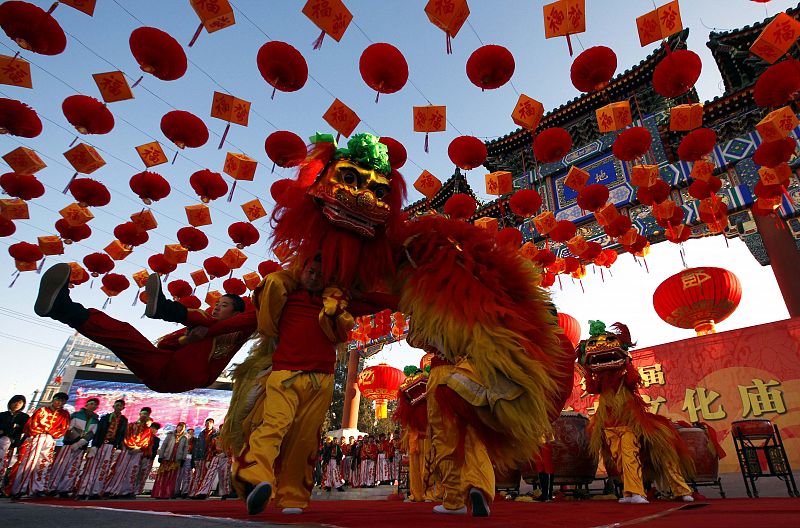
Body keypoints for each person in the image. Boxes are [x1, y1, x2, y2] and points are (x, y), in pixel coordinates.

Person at [232, 255, 394, 515]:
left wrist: (409, 300)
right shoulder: (284, 296)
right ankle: (255, 477)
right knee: (274, 426)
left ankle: (293, 497)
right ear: (301, 271)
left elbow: (372, 303)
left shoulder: (336, 305)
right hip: (285, 375)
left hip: (321, 381)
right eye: (311, 271)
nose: (315, 276)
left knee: (305, 440)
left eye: (320, 274)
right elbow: (244, 320)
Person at [34, 264, 256, 393]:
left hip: (188, 376)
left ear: (237, 312)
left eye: (223, 305)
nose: (216, 307)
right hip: (161, 366)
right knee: (123, 333)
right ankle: (62, 308)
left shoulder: (240, 329)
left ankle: (165, 309)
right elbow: (163, 344)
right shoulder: (199, 326)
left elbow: (246, 319)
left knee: (207, 323)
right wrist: (186, 341)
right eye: (216, 304)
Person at [579, 321, 695, 505]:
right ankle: (629, 493)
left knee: (637, 454)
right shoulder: (601, 380)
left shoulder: (624, 375)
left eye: (609, 340)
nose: (601, 345)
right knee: (619, 459)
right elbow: (593, 388)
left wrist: (627, 362)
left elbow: (634, 382)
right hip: (609, 424)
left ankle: (676, 490)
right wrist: (586, 369)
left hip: (629, 422)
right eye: (594, 344)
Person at [5, 392, 70, 498]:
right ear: (53, 400)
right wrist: (45, 430)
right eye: (58, 400)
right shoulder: (42, 410)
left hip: (50, 439)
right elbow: (32, 424)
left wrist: (51, 433)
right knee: (29, 462)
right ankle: (19, 489)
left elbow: (63, 429)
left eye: (63, 401)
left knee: (44, 463)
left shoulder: (65, 414)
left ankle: (37, 488)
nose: (60, 403)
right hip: (36, 437)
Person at [47, 397, 99, 497]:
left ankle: (65, 489)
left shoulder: (95, 420)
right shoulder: (76, 414)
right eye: (91, 403)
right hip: (69, 444)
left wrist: (80, 442)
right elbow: (69, 427)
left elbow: (92, 433)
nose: (93, 406)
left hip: (81, 447)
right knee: (60, 466)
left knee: (73, 468)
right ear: (86, 405)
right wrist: (75, 440)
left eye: (95, 405)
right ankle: (51, 488)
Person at [76, 399, 128, 499]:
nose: (118, 407)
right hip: (100, 445)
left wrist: (119, 447)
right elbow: (98, 432)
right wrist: (94, 445)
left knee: (104, 469)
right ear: (113, 406)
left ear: (123, 408)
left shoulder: (123, 420)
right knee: (92, 467)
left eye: (120, 406)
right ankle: (83, 491)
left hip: (111, 446)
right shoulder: (105, 418)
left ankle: (96, 492)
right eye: (117, 405)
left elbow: (122, 434)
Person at [104, 407, 153, 498]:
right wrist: (128, 446)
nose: (144, 416)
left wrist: (139, 448)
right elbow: (125, 436)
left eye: (146, 414)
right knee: (119, 469)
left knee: (132, 471)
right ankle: (112, 489)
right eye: (143, 413)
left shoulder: (148, 429)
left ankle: (126, 491)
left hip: (138, 452)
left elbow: (147, 441)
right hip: (126, 451)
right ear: (139, 414)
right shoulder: (130, 425)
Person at [151, 422, 188, 499]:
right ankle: (159, 493)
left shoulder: (184, 438)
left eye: (182, 427)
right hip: (167, 458)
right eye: (179, 427)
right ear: (176, 427)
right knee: (162, 476)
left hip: (176, 460)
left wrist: (183, 459)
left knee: (172, 477)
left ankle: (167, 494)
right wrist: (161, 456)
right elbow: (164, 445)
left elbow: (185, 449)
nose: (180, 429)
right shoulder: (170, 435)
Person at [0, 395, 29, 491]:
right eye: (15, 402)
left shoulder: (24, 417)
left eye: (20, 403)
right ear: (10, 403)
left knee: (6, 465)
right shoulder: (2, 415)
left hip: (13, 445)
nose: (17, 404)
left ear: (23, 405)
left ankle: (2, 486)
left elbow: (25, 431)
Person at [190, 418, 217, 498]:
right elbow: (197, 446)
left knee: (206, 476)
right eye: (207, 423)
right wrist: (195, 458)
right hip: (200, 457)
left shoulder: (216, 434)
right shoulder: (201, 433)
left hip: (210, 457)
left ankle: (203, 493)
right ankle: (194, 492)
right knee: (198, 475)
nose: (208, 424)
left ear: (213, 424)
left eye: (210, 423)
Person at [135, 422, 160, 496]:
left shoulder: (156, 439)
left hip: (149, 458)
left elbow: (155, 449)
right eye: (152, 428)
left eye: (155, 429)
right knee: (136, 472)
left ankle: (138, 490)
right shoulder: (144, 436)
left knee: (144, 474)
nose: (153, 430)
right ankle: (132, 489)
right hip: (141, 456)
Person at [175, 427, 195, 498]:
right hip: (182, 458)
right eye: (189, 432)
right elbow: (180, 448)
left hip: (190, 458)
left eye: (192, 432)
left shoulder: (195, 440)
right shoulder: (183, 438)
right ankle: (176, 491)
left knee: (187, 476)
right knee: (178, 475)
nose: (190, 433)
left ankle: (185, 492)